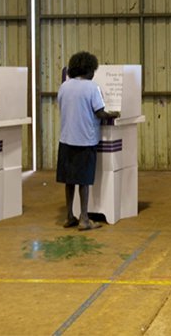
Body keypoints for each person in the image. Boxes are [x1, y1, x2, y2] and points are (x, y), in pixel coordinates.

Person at [57, 51, 119, 231]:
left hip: (66, 139)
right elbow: (99, 112)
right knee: (83, 181)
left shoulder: (64, 87)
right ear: (88, 69)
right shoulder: (92, 88)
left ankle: (70, 215)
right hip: (85, 140)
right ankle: (84, 218)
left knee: (69, 180)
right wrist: (112, 114)